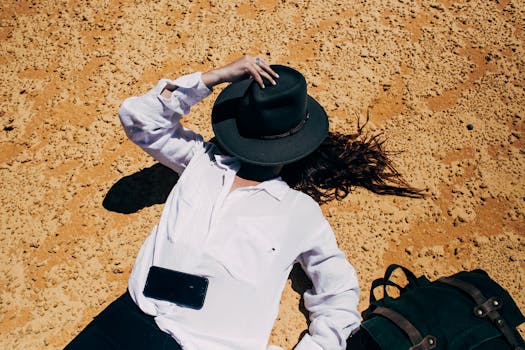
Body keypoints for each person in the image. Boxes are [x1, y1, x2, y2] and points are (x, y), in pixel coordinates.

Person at [65, 55, 419, 350]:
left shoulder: (299, 211)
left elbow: (339, 293)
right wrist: (215, 77)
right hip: (127, 321)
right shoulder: (201, 161)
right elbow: (138, 118)